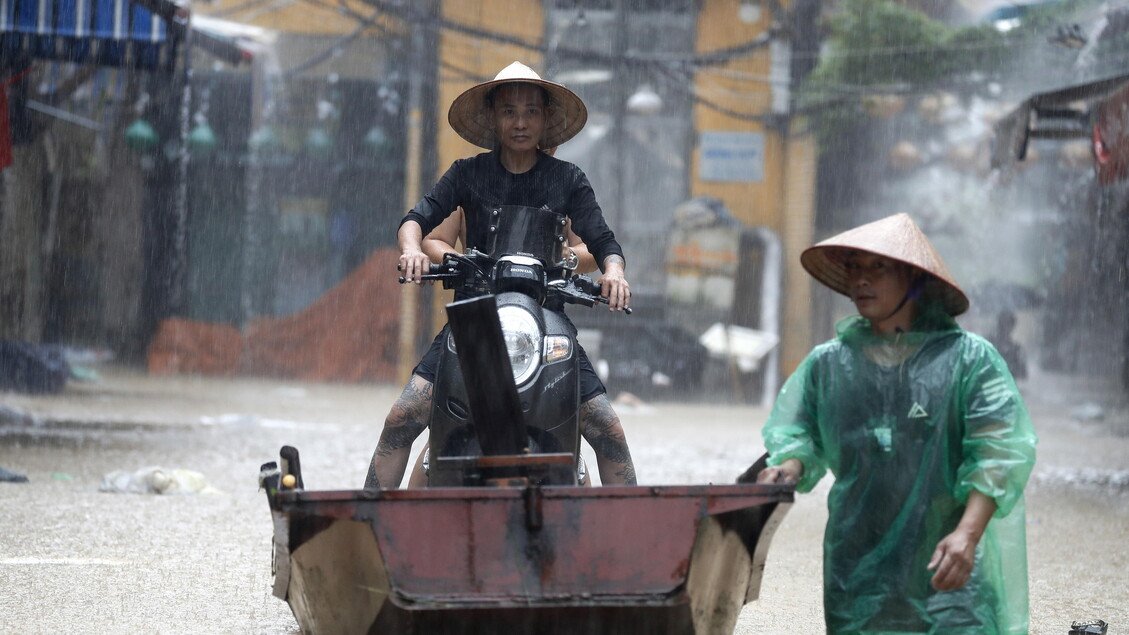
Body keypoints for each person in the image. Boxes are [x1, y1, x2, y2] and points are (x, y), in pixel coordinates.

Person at [756, 213, 1037, 633]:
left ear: (915, 279)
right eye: (854, 267)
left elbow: (999, 452)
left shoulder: (970, 360)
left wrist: (967, 535)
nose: (861, 280)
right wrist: (788, 468)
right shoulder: (829, 364)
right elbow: (801, 434)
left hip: (947, 556)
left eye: (878, 268)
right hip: (857, 562)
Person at [365, 61, 636, 489]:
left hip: (549, 324)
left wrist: (615, 274)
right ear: (494, 118)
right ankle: (367, 535)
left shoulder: (569, 179)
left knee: (610, 431)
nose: (520, 121)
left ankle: (631, 546)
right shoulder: (467, 173)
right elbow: (415, 219)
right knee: (402, 415)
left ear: (546, 119)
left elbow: (605, 243)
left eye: (531, 111)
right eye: (509, 111)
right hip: (474, 323)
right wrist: (412, 249)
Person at [990, 309, 1028, 381]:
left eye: (1008, 325)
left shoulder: (1016, 349)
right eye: (1002, 325)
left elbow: (1023, 375)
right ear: (998, 325)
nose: (1005, 328)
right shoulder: (989, 345)